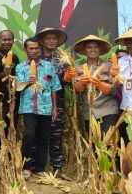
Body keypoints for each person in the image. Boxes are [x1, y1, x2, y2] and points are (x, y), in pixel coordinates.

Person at [15, 38, 60, 180]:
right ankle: (26, 167)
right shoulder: (21, 67)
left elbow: (54, 87)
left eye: (36, 48)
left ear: (40, 49)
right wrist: (29, 82)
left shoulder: (48, 66)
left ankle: (40, 168)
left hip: (46, 107)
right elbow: (18, 87)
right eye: (31, 48)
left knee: (43, 138)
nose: (34, 51)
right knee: (29, 136)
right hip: (28, 107)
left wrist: (55, 108)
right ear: (25, 50)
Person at [64, 35, 119, 134]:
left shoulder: (109, 66)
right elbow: (77, 90)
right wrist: (81, 83)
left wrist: (99, 84)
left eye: (96, 47)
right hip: (89, 112)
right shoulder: (78, 67)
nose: (92, 50)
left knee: (108, 143)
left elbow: (114, 90)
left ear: (100, 49)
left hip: (108, 110)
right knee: (93, 145)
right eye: (89, 47)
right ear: (85, 50)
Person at [36, 27, 69, 173]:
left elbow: (67, 81)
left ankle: (57, 166)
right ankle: (38, 166)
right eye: (48, 38)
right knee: (38, 134)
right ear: (42, 41)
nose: (51, 41)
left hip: (57, 102)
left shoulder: (62, 59)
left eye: (54, 39)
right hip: (37, 102)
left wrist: (68, 77)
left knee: (56, 134)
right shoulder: (35, 57)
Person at [0, 29, 21, 159]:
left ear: (13, 41)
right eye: (4, 39)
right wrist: (3, 74)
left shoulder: (15, 57)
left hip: (13, 100)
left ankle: (10, 158)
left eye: (9, 39)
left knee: (12, 128)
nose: (7, 42)